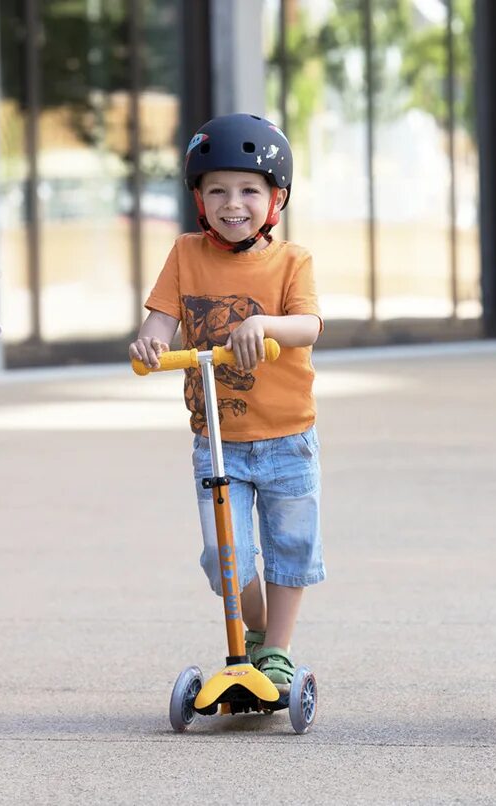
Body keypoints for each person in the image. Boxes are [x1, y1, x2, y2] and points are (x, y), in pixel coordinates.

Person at [129, 114, 324, 690]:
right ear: (198, 198)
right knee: (224, 554)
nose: (231, 203)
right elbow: (160, 322)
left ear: (275, 199)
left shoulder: (292, 261)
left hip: (288, 435)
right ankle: (256, 634)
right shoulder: (186, 254)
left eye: (247, 190)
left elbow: (309, 325)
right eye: (216, 190)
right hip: (217, 439)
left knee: (290, 547)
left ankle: (278, 651)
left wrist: (264, 325)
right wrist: (151, 344)